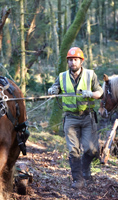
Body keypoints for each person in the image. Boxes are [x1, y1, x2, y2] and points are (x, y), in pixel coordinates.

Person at [48, 47, 103, 189]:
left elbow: (100, 92)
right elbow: (53, 89)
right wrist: (52, 90)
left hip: (87, 117)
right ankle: (77, 179)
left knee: (92, 150)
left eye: (75, 60)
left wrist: (90, 93)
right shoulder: (62, 76)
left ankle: (85, 169)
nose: (73, 63)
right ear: (68, 62)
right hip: (70, 119)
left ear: (81, 61)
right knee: (74, 150)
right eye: (70, 60)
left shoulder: (91, 75)